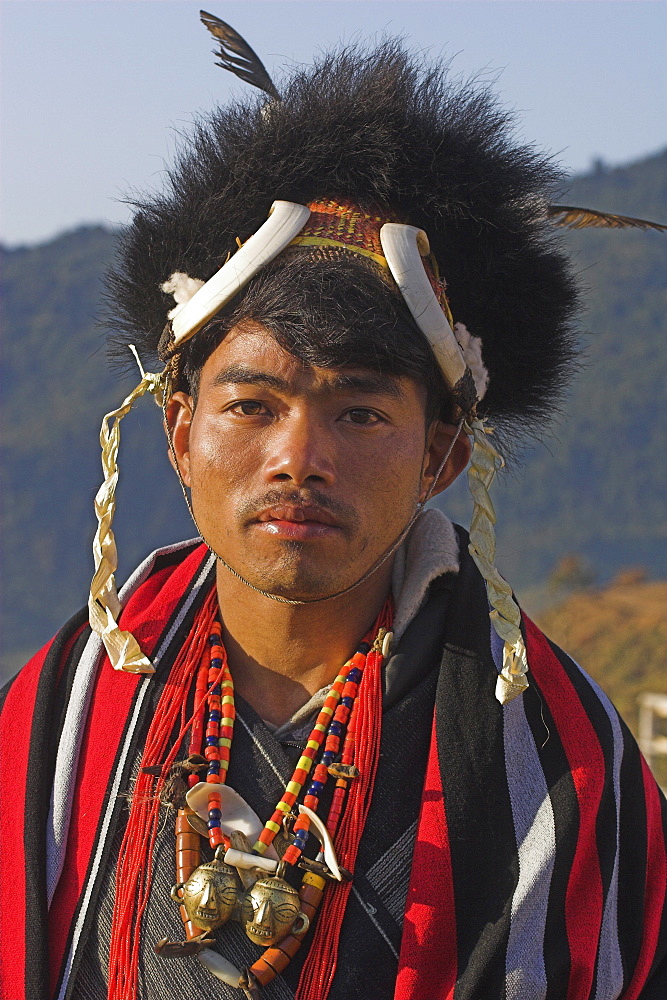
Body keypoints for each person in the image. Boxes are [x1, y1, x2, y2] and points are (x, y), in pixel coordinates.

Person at [1, 14, 665, 1000]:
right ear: (181, 432)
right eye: (252, 405)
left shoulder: (564, 778)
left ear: (440, 451)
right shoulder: (59, 718)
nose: (299, 459)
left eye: (359, 410)